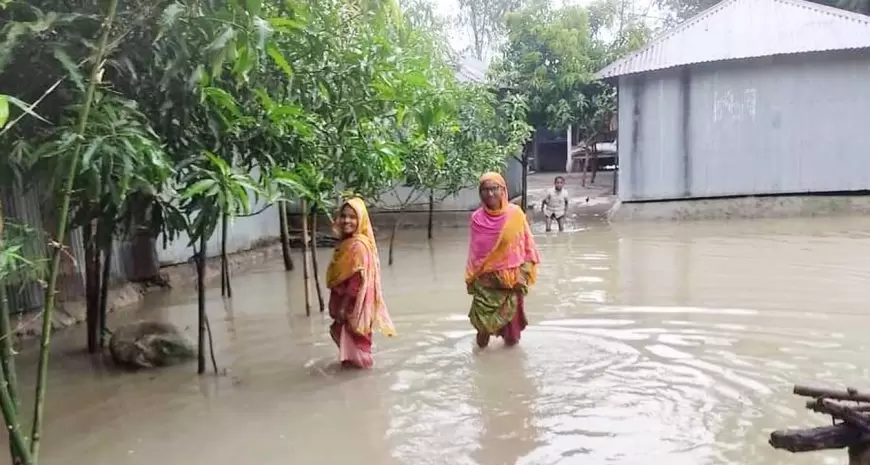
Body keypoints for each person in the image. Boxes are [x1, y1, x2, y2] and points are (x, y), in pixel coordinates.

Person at [466, 172, 541, 349]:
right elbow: (476, 252)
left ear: (503, 190)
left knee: (512, 333)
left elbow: (527, 246)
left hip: (511, 282)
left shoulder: (515, 214)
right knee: (482, 330)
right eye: (485, 190)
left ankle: (512, 368)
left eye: (494, 189)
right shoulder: (477, 218)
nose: (490, 194)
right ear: (480, 192)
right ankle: (479, 363)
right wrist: (475, 277)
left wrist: (523, 274)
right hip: (486, 282)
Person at [326, 197, 396, 369]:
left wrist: (344, 308)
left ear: (361, 219)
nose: (346, 221)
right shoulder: (346, 244)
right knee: (347, 347)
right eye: (343, 216)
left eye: (352, 217)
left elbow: (356, 283)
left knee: (358, 350)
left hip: (353, 306)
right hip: (345, 304)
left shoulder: (358, 247)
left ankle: (364, 383)